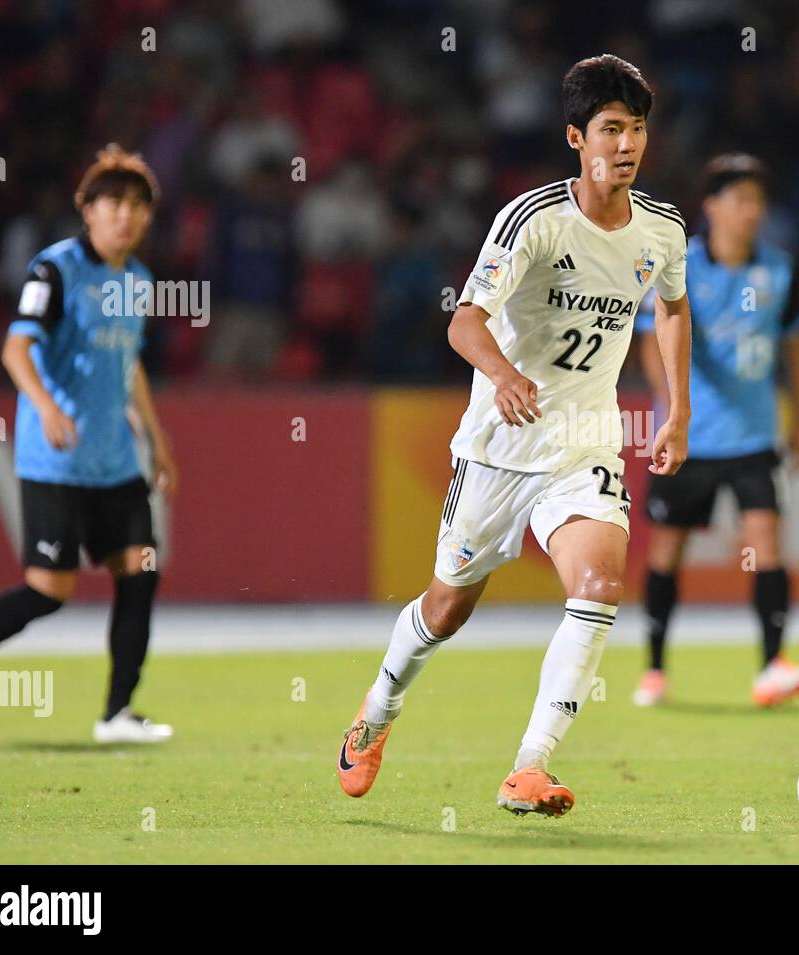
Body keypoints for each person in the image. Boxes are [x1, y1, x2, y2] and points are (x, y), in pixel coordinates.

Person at [336, 54, 692, 817]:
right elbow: (464, 320)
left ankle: (530, 766)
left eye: (637, 129)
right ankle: (378, 708)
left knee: (598, 586)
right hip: (500, 447)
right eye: (610, 129)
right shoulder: (532, 220)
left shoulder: (662, 230)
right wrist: (502, 372)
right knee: (445, 610)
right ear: (575, 136)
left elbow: (671, 307)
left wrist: (678, 411)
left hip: (585, 444)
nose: (627, 144)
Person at [0, 145, 179, 743]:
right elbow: (14, 348)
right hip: (56, 461)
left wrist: (156, 441)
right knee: (48, 593)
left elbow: (130, 367)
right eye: (113, 202)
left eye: (136, 205)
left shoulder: (138, 280)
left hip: (115, 463)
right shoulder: (55, 271)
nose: (125, 215)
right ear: (88, 210)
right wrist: (47, 406)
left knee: (141, 570)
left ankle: (117, 714)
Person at [632, 154, 799, 708]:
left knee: (768, 541)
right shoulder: (679, 265)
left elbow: (795, 346)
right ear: (710, 207)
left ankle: (772, 666)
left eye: (758, 201)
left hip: (755, 434)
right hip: (691, 436)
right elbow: (649, 339)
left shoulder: (781, 269)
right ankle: (656, 670)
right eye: (740, 200)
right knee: (667, 549)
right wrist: (670, 409)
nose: (751, 212)